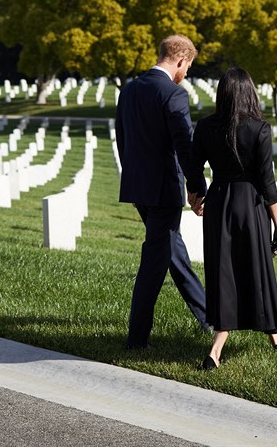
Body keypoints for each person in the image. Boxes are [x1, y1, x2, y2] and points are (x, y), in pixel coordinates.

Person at [188, 67, 277, 370]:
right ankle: (260, 336)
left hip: (219, 202)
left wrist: (197, 195)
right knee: (257, 269)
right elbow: (266, 181)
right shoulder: (259, 128)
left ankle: (225, 345)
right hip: (251, 206)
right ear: (249, 93)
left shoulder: (205, 127)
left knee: (224, 272)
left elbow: (193, 166)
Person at [115, 34, 209, 350]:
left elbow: (122, 139)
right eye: (188, 67)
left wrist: (133, 179)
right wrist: (198, 188)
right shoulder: (173, 94)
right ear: (180, 60)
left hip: (138, 187)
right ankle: (137, 339)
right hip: (163, 190)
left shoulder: (129, 90)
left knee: (173, 252)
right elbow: (184, 145)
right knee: (154, 264)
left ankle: (208, 317)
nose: (187, 74)